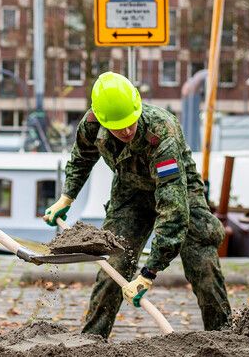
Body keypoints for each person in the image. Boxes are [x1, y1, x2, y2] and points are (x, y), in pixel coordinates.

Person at [43, 72, 231, 338]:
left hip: (180, 191)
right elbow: (82, 157)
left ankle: (224, 338)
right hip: (130, 193)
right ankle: (91, 341)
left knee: (202, 265)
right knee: (113, 266)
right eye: (118, 127)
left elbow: (173, 210)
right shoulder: (92, 123)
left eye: (130, 122)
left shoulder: (161, 130)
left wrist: (148, 273)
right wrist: (66, 197)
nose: (127, 130)